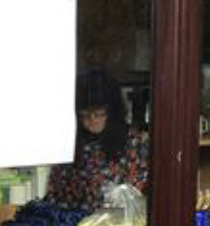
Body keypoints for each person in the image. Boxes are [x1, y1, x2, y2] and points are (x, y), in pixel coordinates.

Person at [45, 69, 150, 215]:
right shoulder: (69, 143)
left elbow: (141, 194)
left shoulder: (135, 144)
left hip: (122, 224)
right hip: (75, 224)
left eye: (99, 113)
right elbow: (55, 196)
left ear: (113, 111)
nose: (92, 120)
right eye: (85, 115)